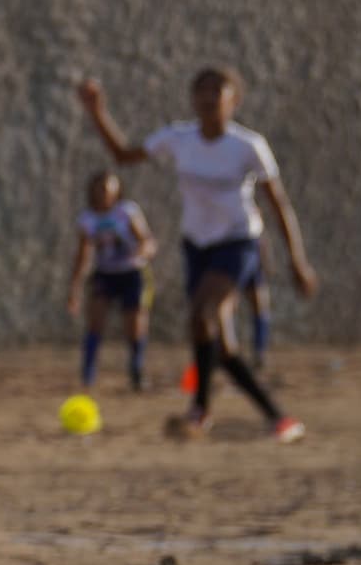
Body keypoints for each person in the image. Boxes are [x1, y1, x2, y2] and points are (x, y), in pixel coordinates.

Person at [77, 68, 318, 442]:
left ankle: (200, 410)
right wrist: (97, 113)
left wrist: (297, 261)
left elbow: (279, 206)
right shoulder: (178, 138)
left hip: (238, 243)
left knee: (203, 315)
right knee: (216, 341)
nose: (208, 98)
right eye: (200, 91)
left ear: (233, 100)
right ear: (192, 99)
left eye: (216, 91)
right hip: (197, 247)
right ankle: (275, 417)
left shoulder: (248, 146)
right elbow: (124, 156)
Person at [64, 168, 154, 392]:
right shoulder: (88, 218)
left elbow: (147, 241)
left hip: (132, 273)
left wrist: (140, 253)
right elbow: (83, 255)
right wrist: (75, 287)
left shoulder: (126, 211)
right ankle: (88, 375)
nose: (105, 192)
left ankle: (136, 370)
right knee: (95, 322)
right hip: (105, 274)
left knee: (134, 325)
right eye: (101, 188)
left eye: (109, 188)